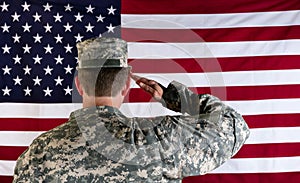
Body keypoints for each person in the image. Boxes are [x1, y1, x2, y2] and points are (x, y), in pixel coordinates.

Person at [13, 37, 250, 183]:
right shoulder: (160, 139)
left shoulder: (41, 152)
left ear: (78, 84)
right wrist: (176, 99)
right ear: (126, 84)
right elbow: (234, 124)